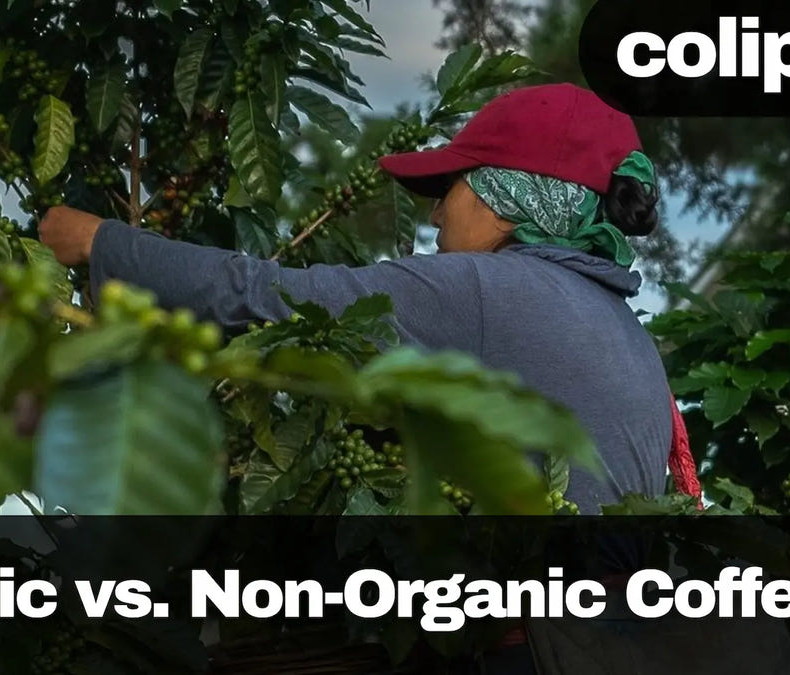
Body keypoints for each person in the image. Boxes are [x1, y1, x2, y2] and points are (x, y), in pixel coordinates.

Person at [38, 83, 698, 513]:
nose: (435, 215)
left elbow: (271, 295)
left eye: (451, 188)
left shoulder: (486, 290)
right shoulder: (627, 331)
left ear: (506, 201)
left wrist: (102, 242)